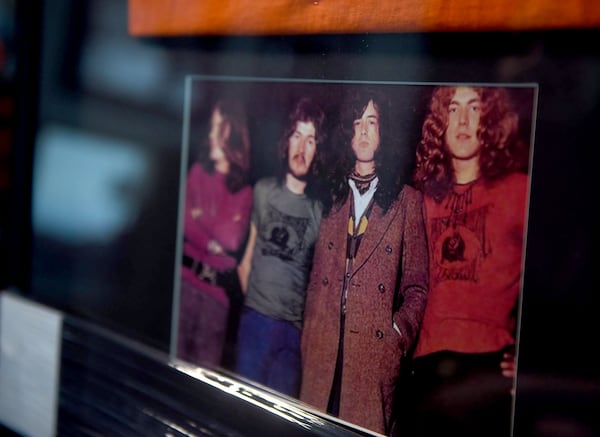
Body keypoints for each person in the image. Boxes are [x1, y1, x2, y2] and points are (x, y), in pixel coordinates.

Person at [299, 87, 429, 435]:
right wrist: (310, 330)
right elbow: (315, 275)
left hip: (371, 355)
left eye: (372, 122)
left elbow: (417, 285)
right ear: (347, 133)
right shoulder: (332, 195)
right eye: (357, 123)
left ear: (385, 131)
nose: (364, 132)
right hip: (323, 346)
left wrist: (397, 334)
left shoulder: (407, 201)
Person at [408, 85, 530, 436]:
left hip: (488, 371)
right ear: (439, 123)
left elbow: (566, 276)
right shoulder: (420, 200)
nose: (462, 120)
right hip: (425, 371)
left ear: (489, 120)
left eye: (474, 108)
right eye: (453, 109)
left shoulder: (519, 190)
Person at [235, 97, 327, 397]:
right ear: (286, 141)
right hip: (255, 324)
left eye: (310, 140)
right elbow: (245, 260)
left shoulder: (319, 212)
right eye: (296, 136)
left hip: (293, 333)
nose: (301, 148)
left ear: (318, 150)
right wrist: (256, 310)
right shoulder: (263, 191)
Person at [177, 99, 253, 368]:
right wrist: (212, 240)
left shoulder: (244, 192)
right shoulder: (198, 173)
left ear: (230, 132)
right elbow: (185, 224)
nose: (209, 135)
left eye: (216, 128)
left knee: (203, 374)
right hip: (185, 284)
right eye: (209, 128)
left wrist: (202, 218)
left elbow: (232, 239)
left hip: (215, 299)